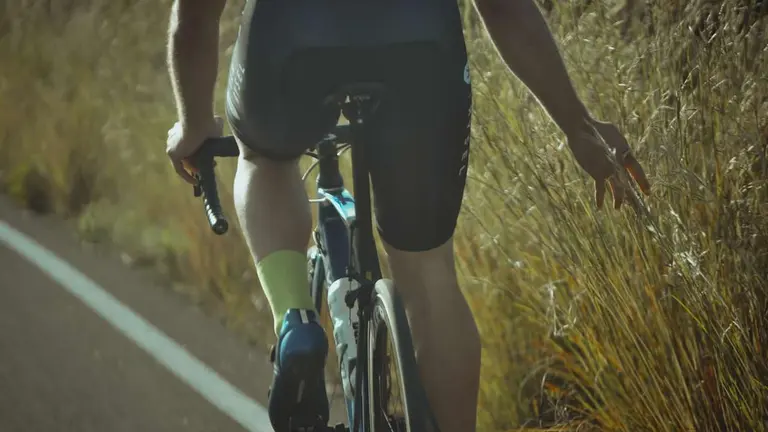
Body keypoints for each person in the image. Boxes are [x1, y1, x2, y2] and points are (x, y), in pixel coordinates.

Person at [165, 0, 652, 431]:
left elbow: (196, 13)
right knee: (429, 277)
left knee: (264, 156)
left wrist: (191, 123)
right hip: (419, 44)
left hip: (292, 35)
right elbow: (503, 7)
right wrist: (577, 125)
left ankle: (295, 320)